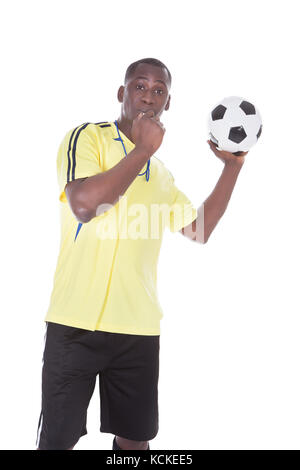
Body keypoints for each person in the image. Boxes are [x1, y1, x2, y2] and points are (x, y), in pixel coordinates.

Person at [36, 57, 247, 451]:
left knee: (134, 441)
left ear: (168, 104)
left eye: (159, 91)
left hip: (137, 329)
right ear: (122, 93)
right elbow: (84, 205)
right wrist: (141, 151)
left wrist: (232, 168)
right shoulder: (87, 138)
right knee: (58, 440)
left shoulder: (161, 174)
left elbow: (199, 229)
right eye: (140, 86)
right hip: (73, 323)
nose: (149, 97)